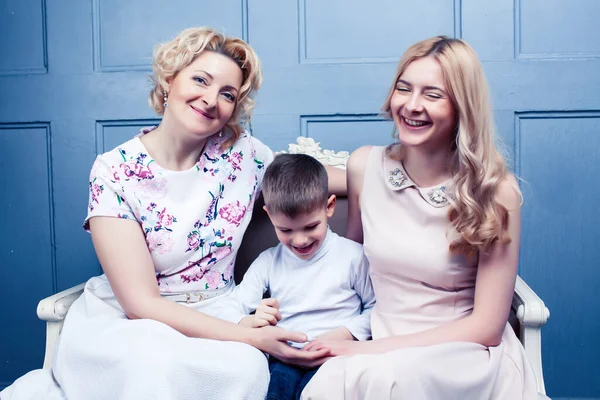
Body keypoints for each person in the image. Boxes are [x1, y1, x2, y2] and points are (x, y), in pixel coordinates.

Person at [1, 27, 338, 400]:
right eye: (200, 80)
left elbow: (320, 182)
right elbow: (141, 303)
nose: (211, 100)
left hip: (220, 312)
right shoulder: (115, 170)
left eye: (227, 94)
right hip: (131, 322)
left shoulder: (246, 155)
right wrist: (252, 336)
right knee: (152, 364)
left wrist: (388, 172)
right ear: (168, 80)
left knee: (243, 369)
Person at [300, 36, 538, 399]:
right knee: (326, 387)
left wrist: (366, 351)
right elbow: (352, 269)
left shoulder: (495, 191)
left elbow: (488, 326)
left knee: (388, 379)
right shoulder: (365, 166)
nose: (411, 106)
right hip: (380, 339)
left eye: (433, 95)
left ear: (462, 106)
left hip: (462, 352)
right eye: (404, 88)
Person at [220, 153, 376, 400]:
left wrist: (347, 333)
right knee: (275, 391)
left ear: (329, 206)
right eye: (286, 230)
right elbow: (231, 305)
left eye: (311, 227)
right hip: (286, 357)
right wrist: (248, 321)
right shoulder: (268, 262)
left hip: (337, 355)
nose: (300, 240)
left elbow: (376, 308)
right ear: (270, 215)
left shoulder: (353, 256)